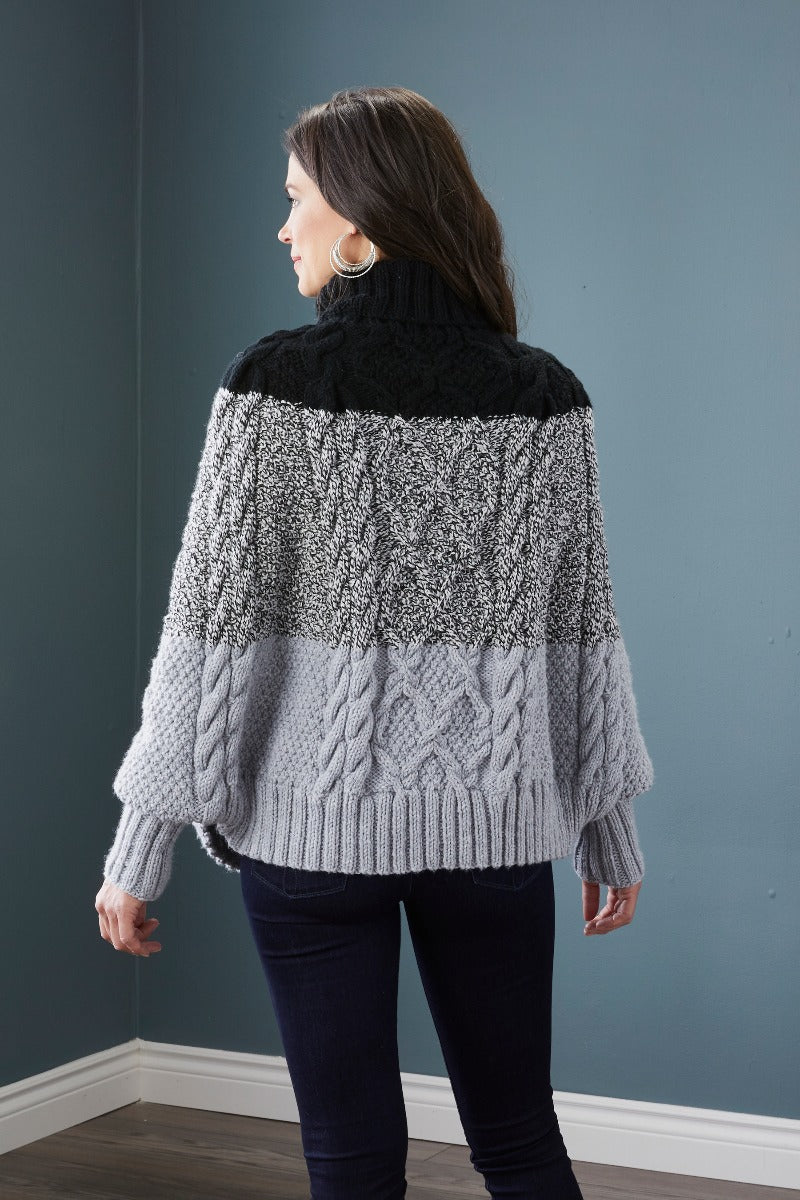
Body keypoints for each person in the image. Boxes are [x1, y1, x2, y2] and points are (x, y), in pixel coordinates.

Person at [95, 86, 654, 1200]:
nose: (281, 227)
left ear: (358, 221)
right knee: (518, 1142)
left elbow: (206, 635)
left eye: (295, 198)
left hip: (312, 838)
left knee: (349, 1161)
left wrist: (137, 848)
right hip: (494, 838)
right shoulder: (544, 396)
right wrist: (607, 829)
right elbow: (581, 632)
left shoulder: (273, 386)